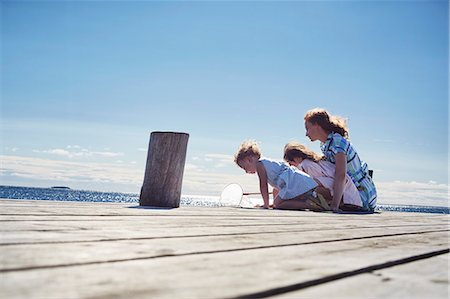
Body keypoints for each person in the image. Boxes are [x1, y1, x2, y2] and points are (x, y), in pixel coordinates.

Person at [304, 108, 377, 212]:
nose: (306, 134)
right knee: (309, 189)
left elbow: (341, 175)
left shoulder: (337, 142)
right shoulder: (325, 145)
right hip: (348, 190)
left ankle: (334, 203)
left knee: (310, 190)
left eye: (308, 128)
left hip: (361, 195)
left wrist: (335, 206)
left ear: (317, 125)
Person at [234, 140, 329, 211]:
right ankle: (313, 202)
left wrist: (265, 205)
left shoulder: (260, 164)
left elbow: (263, 185)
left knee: (278, 204)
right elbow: (277, 188)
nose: (246, 171)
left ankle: (310, 205)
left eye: (244, 167)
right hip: (297, 180)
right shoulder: (267, 164)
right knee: (277, 203)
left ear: (249, 160)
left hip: (294, 181)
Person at [283, 142, 363, 211]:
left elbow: (313, 184)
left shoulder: (306, 164)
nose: (291, 166)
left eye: (290, 163)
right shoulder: (312, 162)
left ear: (297, 158)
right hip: (349, 196)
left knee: (308, 185)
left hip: (346, 195)